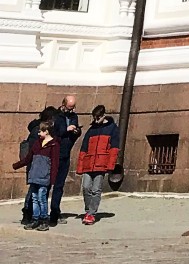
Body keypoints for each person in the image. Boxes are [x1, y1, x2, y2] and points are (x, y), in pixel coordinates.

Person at [76, 104, 121, 226]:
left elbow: (114, 148)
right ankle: (88, 210)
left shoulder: (112, 129)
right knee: (85, 187)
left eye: (98, 118)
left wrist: (110, 166)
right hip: (88, 163)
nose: (96, 120)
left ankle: (91, 213)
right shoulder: (92, 130)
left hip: (101, 164)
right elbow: (84, 148)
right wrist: (80, 166)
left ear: (104, 115)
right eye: (94, 118)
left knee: (96, 189)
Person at [13, 118, 59, 231]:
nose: (38, 133)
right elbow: (28, 158)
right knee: (34, 198)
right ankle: (35, 219)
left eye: (40, 131)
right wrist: (17, 165)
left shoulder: (54, 145)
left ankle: (43, 220)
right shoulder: (37, 143)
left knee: (41, 198)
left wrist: (52, 180)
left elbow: (55, 163)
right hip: (34, 175)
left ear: (46, 131)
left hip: (44, 177)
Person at [50, 94, 81, 225]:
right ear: (63, 105)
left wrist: (76, 131)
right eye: (69, 107)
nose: (71, 110)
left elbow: (75, 133)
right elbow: (54, 133)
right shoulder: (57, 116)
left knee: (59, 186)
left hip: (66, 154)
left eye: (73, 107)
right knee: (46, 184)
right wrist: (66, 130)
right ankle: (38, 213)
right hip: (54, 153)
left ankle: (55, 212)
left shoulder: (74, 117)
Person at [17, 119, 40, 226]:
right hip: (36, 165)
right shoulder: (37, 133)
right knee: (34, 190)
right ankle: (28, 212)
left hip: (35, 165)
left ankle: (31, 213)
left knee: (34, 190)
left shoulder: (34, 132)